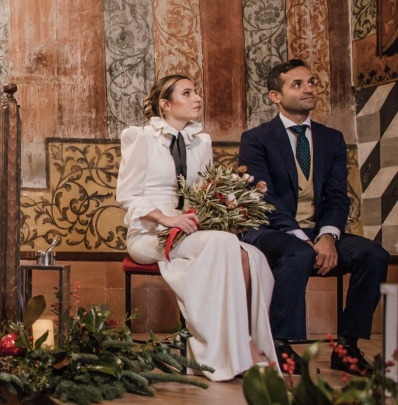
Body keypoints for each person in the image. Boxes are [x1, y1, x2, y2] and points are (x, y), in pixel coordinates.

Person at [116, 76, 278, 381]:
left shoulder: (200, 141)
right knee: (222, 244)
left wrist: (222, 211)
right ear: (165, 104)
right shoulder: (140, 137)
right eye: (187, 93)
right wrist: (166, 220)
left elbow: (203, 192)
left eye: (196, 92)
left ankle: (239, 347)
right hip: (150, 233)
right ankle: (224, 350)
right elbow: (126, 196)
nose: (197, 98)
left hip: (190, 230)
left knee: (250, 256)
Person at [239, 60, 389, 376]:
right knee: (300, 251)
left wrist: (328, 235)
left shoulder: (331, 139)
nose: (309, 88)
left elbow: (337, 195)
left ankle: (346, 346)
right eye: (297, 84)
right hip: (269, 231)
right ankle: (279, 344)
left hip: (318, 233)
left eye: (311, 82)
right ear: (274, 96)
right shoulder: (256, 139)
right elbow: (263, 198)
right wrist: (303, 237)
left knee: (373, 255)